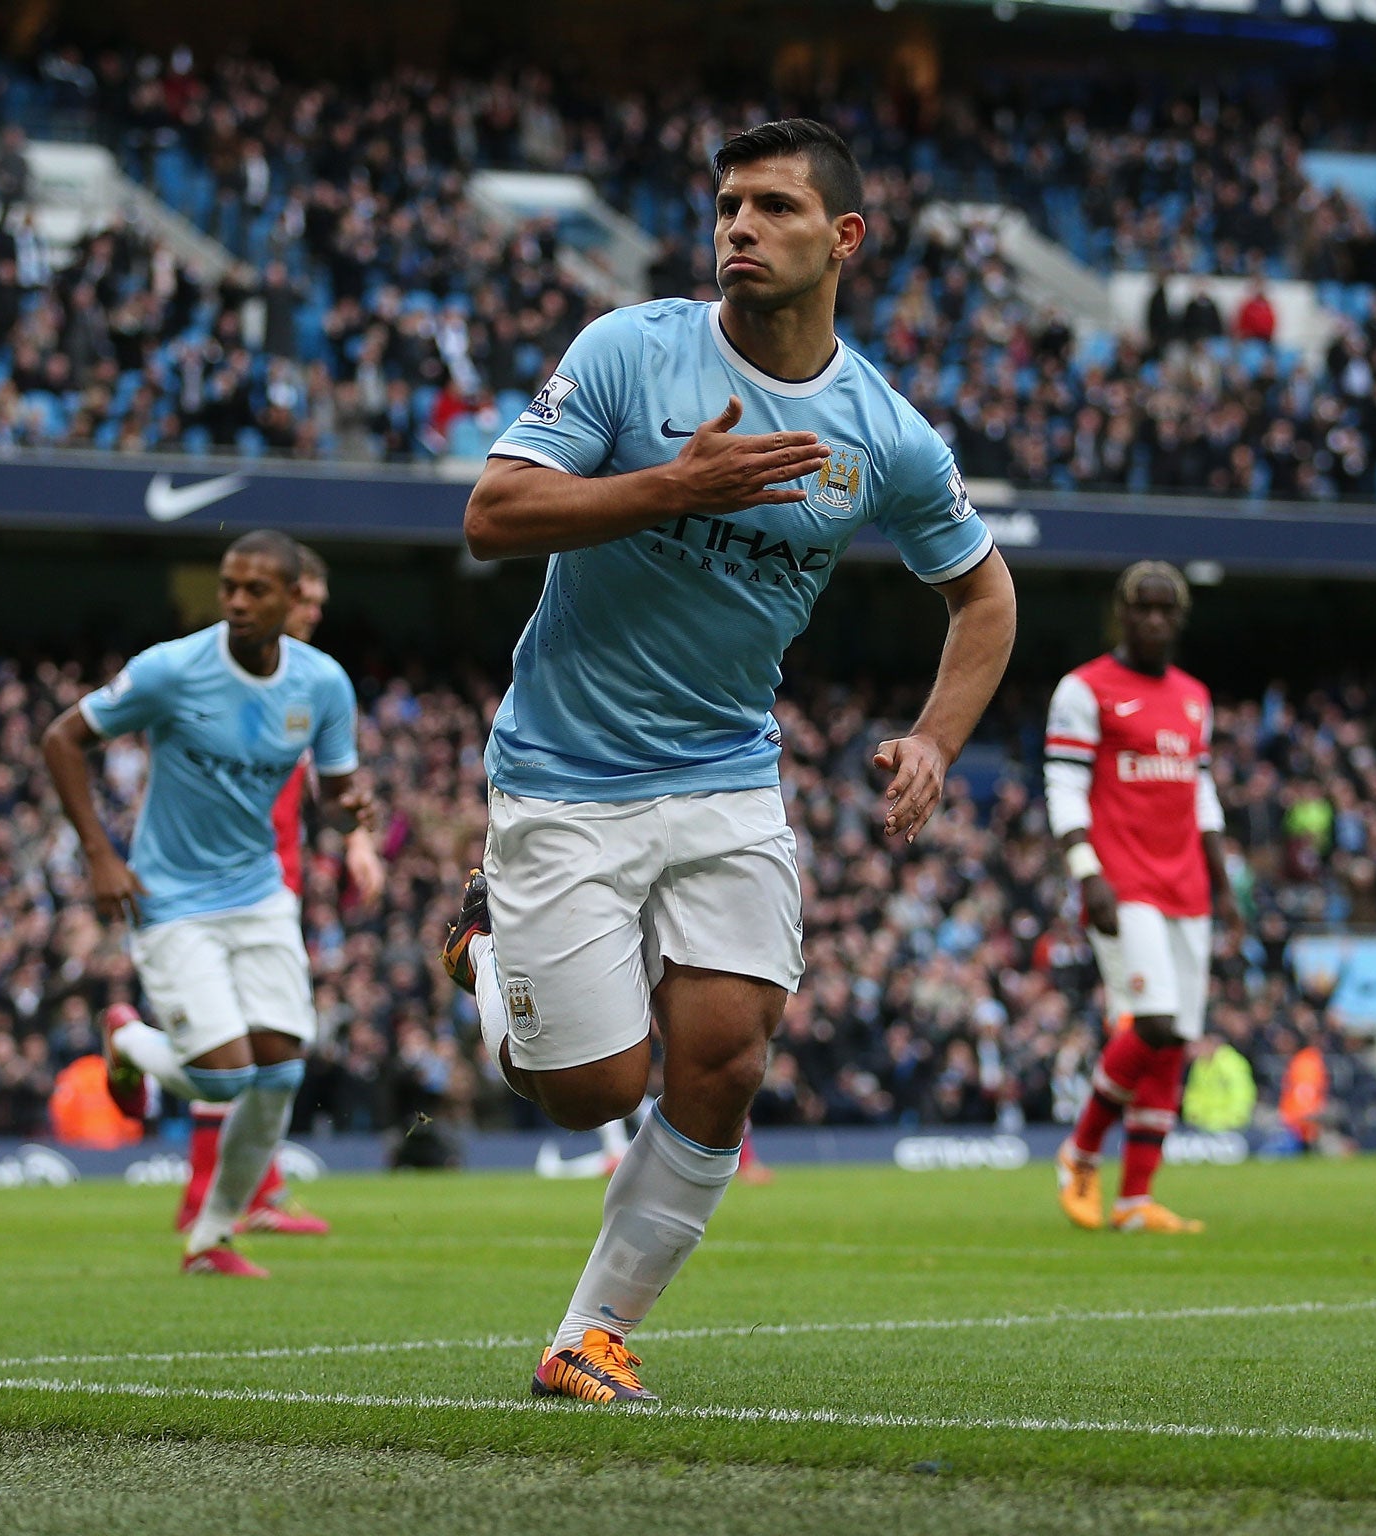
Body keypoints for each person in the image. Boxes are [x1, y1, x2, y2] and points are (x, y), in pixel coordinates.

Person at [441, 118, 1015, 1402]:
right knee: (589, 1091)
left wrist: (932, 739)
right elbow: (490, 516)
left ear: (843, 238)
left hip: (725, 773)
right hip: (564, 772)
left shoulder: (887, 435)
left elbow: (982, 596)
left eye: (771, 207)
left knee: (727, 1059)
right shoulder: (628, 351)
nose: (737, 228)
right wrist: (667, 488)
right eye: (726, 207)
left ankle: (586, 1335)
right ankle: (484, 947)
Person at [42, 532, 372, 1277]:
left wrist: (357, 816)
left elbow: (340, 793)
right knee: (224, 1076)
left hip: (258, 892)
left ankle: (211, 1236)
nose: (237, 602)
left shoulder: (322, 684)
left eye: (257, 590)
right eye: (229, 586)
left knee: (282, 1069)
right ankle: (126, 1040)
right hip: (173, 897)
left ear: (294, 601)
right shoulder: (173, 669)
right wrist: (100, 854)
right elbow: (61, 739)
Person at [174, 541, 386, 1238]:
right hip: (225, 880)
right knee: (238, 1042)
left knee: (268, 1042)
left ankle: (252, 1186)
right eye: (310, 602)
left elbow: (334, 782)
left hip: (276, 874)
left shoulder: (309, 682)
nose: (316, 615)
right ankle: (216, 1190)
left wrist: (354, 836)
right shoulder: (225, 676)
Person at [1047, 562, 1238, 1235]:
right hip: (1124, 883)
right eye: (1143, 609)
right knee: (1153, 1023)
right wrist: (1085, 868)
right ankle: (1080, 1151)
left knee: (1177, 1040)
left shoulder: (1194, 697)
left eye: (1166, 611)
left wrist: (1223, 880)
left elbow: (1201, 791)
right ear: (1121, 614)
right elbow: (1065, 786)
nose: (1155, 620)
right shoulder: (1085, 689)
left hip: (1187, 883)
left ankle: (1135, 1200)